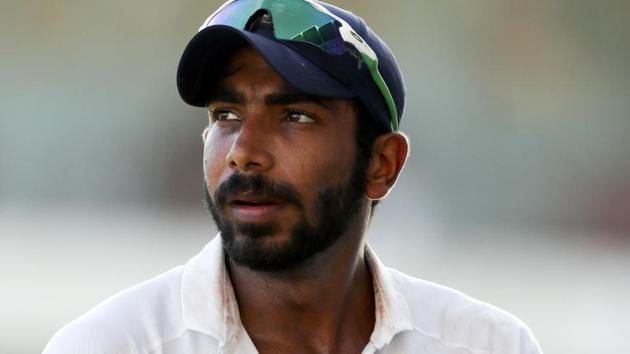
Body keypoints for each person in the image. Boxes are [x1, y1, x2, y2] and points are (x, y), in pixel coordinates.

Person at [44, 1, 542, 353]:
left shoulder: (488, 345)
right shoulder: (110, 345)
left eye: (295, 116)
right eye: (225, 115)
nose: (243, 153)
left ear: (382, 164)